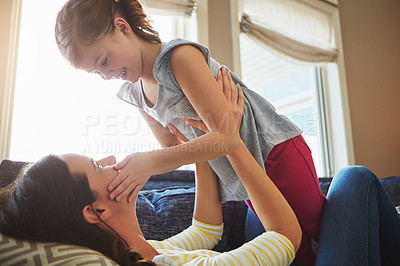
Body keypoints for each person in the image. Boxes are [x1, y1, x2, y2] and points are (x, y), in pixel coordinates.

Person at [55, 0, 325, 264]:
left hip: (274, 151)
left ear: (123, 28)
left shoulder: (177, 58)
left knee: (319, 228)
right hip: (240, 176)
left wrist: (150, 161)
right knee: (298, 256)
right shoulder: (133, 93)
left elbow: (224, 138)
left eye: (103, 61)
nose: (107, 75)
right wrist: (163, 155)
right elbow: (176, 146)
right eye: (96, 73)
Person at [0, 77, 303, 265]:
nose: (110, 158)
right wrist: (228, 138)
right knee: (351, 182)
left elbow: (206, 231)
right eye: (97, 166)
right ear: (96, 211)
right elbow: (287, 236)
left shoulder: (143, 250)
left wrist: (201, 146)